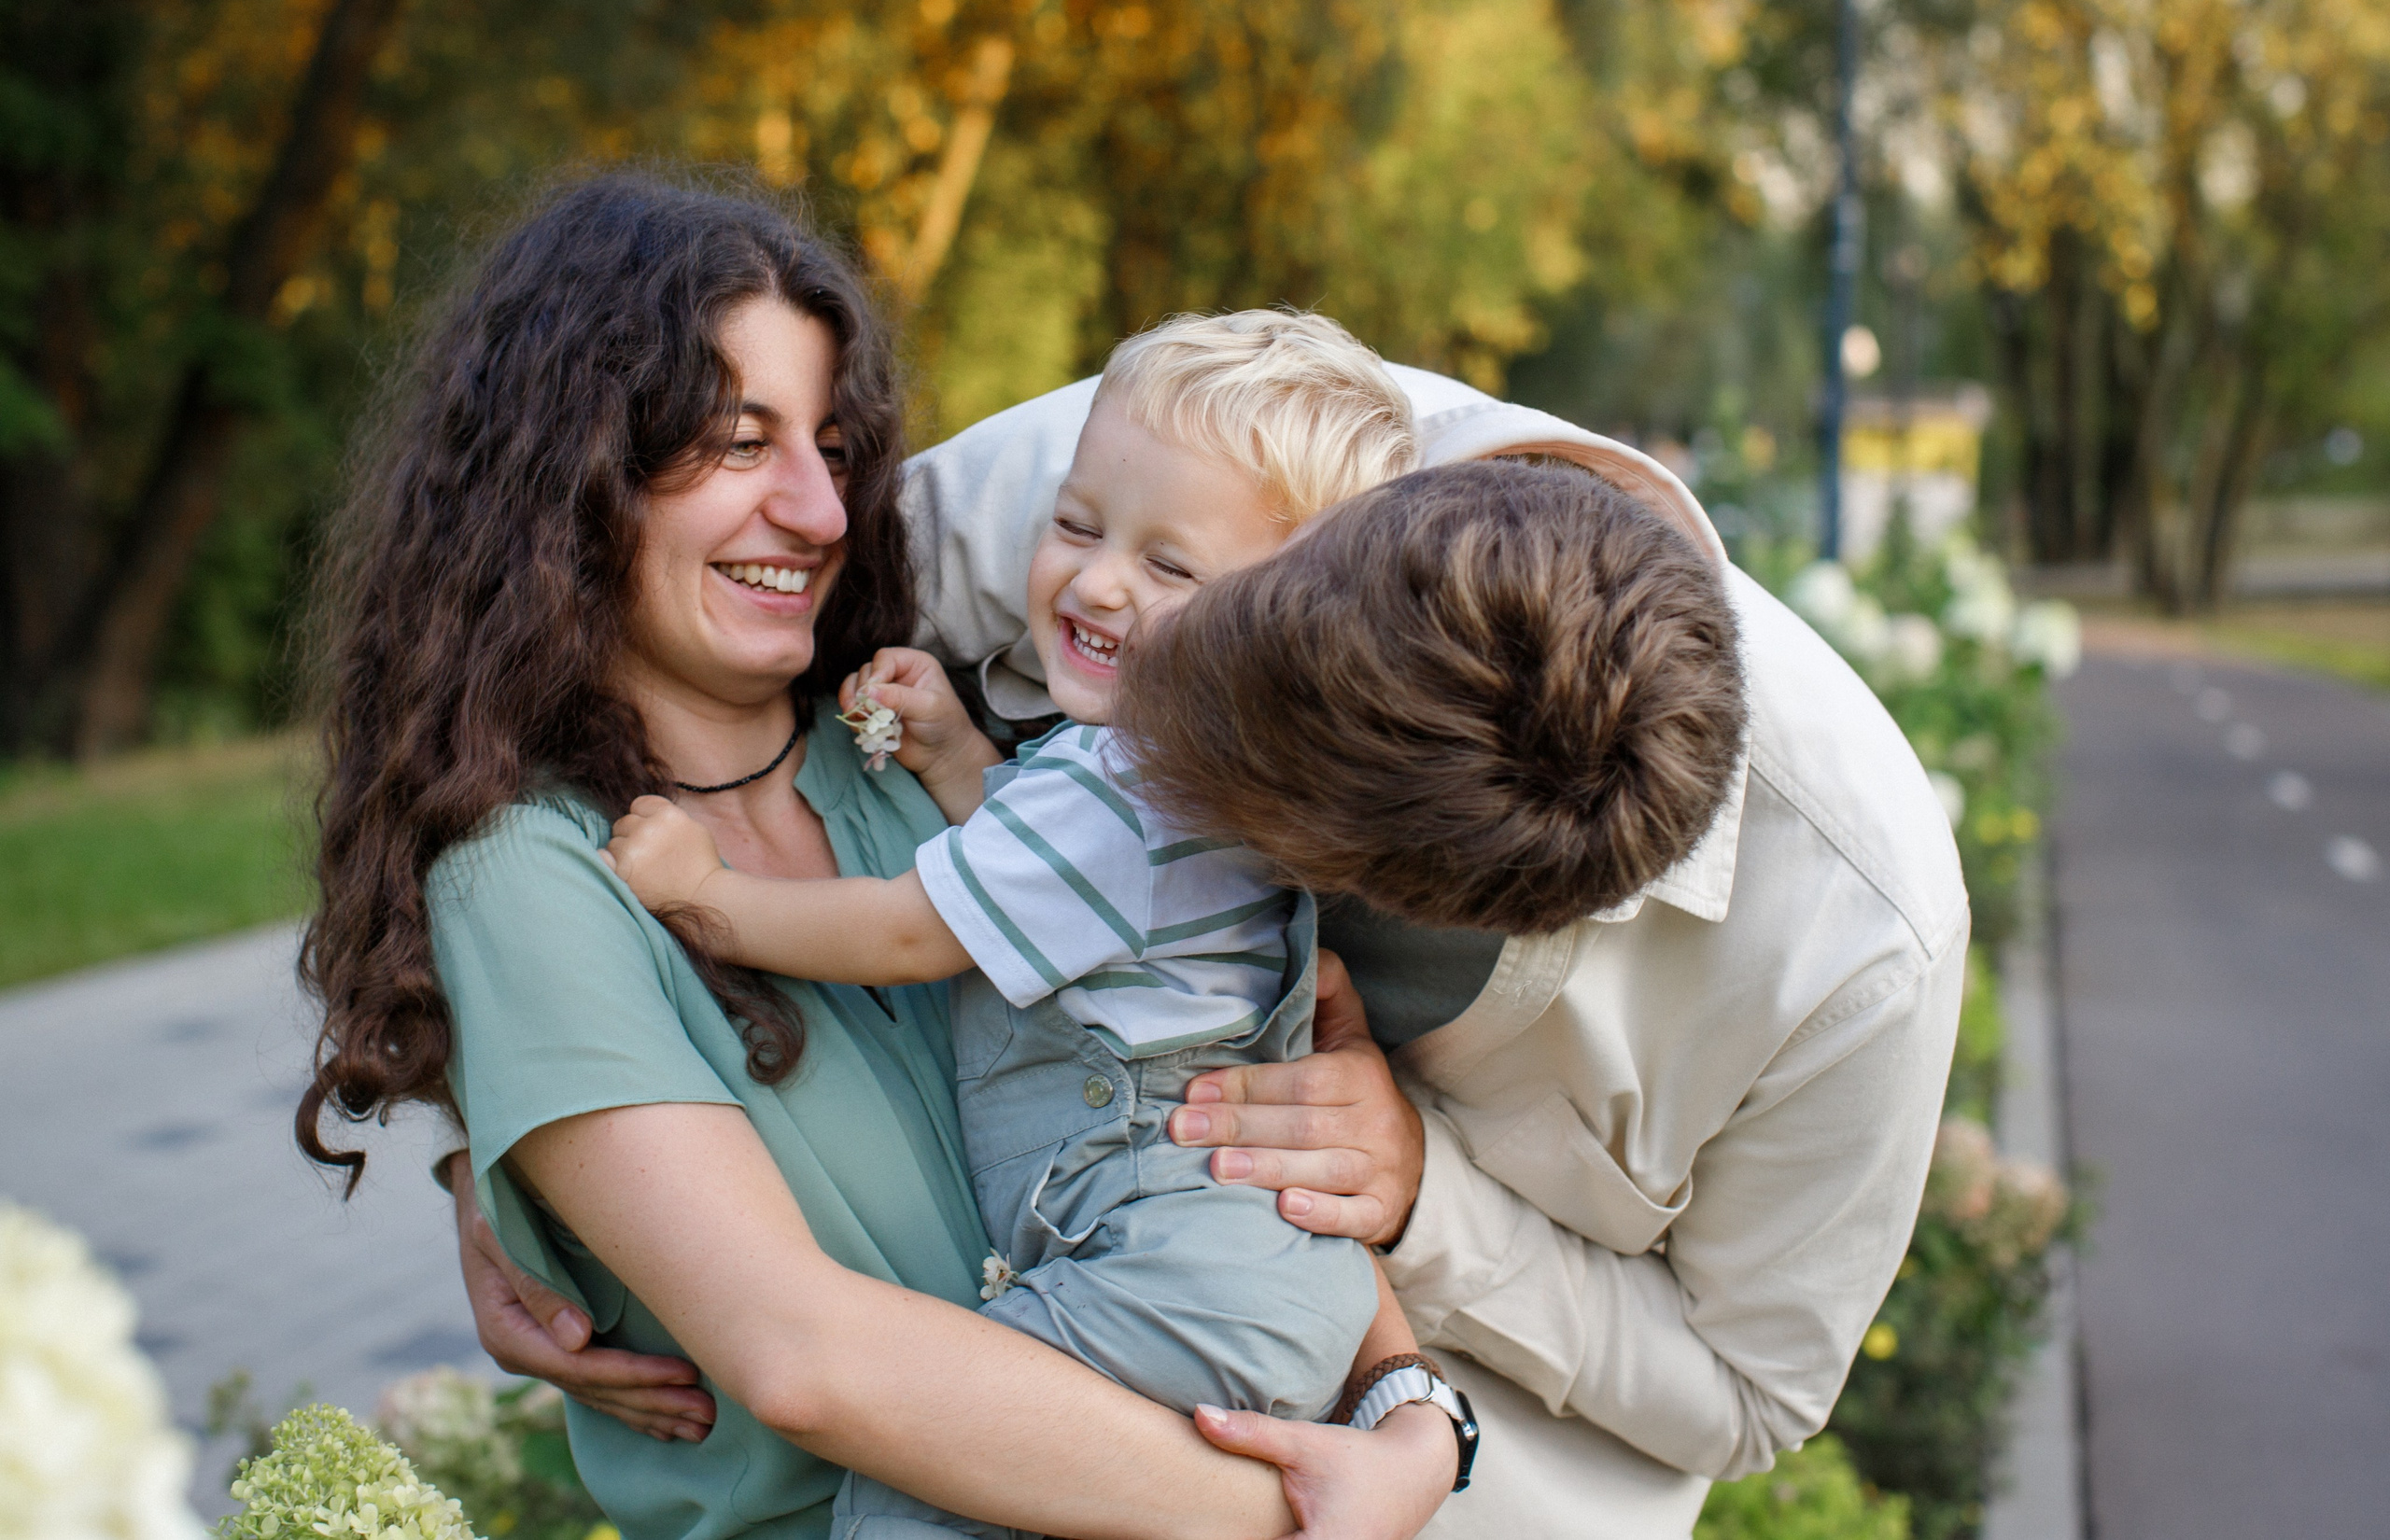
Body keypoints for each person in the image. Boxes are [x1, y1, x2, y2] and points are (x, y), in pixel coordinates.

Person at [466, 305, 1968, 1539]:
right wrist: (513, 1114)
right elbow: (607, 629)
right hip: (1090, 1312)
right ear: (1313, 557)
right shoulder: (1202, 456)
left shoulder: (1859, 957)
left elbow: (1752, 1390)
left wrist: (1425, 1202)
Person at [298, 176, 1461, 1540]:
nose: (823, 510)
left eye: (837, 447)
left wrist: (1415, 1419)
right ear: (570, 475)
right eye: (741, 443)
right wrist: (1294, 1520)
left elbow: (1204, 1136)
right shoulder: (532, 875)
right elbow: (805, 1360)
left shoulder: (931, 751)